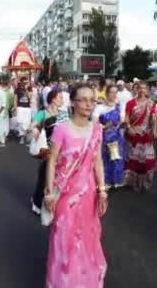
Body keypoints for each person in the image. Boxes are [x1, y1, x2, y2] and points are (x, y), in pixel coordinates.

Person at [44, 83, 108, 287]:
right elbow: (52, 160)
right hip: (64, 194)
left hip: (88, 193)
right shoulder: (62, 129)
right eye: (84, 99)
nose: (89, 104)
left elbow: (97, 160)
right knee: (65, 238)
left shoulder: (97, 129)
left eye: (92, 99)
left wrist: (102, 190)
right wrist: (48, 193)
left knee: (88, 238)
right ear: (73, 102)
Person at [29, 89, 66, 214]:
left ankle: (55, 203)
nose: (62, 100)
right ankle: (37, 202)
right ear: (53, 99)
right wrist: (34, 129)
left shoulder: (64, 113)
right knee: (44, 178)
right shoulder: (42, 113)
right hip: (48, 151)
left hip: (63, 151)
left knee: (58, 179)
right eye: (60, 97)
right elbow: (32, 125)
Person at [124, 82, 157, 191]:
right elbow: (127, 118)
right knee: (133, 160)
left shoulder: (151, 103)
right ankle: (132, 182)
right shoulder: (130, 103)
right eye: (140, 88)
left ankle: (144, 183)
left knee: (147, 160)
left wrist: (155, 130)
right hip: (133, 133)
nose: (142, 90)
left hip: (146, 134)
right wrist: (129, 128)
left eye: (144, 88)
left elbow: (153, 118)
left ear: (147, 90)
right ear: (136, 89)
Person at [13, 77, 33, 144]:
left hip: (27, 108)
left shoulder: (29, 88)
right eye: (24, 82)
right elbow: (15, 99)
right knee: (20, 121)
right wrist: (15, 109)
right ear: (21, 82)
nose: (25, 83)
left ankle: (23, 136)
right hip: (20, 107)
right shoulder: (17, 89)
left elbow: (30, 97)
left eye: (26, 82)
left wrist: (26, 89)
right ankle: (21, 136)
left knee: (26, 122)